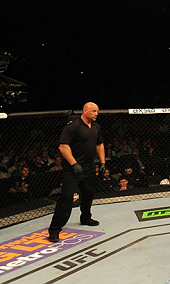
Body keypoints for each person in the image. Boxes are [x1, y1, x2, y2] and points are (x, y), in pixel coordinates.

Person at [48, 102, 105, 243]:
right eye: (93, 111)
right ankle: (54, 229)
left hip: (89, 167)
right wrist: (74, 164)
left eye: (97, 111)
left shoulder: (96, 127)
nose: (96, 113)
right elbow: (63, 146)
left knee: (88, 194)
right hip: (73, 169)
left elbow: (100, 144)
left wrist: (102, 162)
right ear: (85, 111)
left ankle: (85, 217)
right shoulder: (73, 127)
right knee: (66, 197)